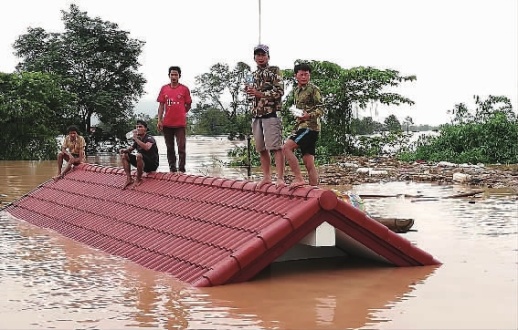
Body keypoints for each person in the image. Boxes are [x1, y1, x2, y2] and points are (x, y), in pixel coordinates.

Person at [245, 44, 285, 187]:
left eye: (263, 55)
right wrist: (249, 92)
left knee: (275, 147)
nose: (260, 57)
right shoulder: (251, 75)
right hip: (256, 114)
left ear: (268, 56)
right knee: (261, 148)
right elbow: (249, 96)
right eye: (258, 55)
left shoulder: (275, 71)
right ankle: (267, 177)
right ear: (254, 57)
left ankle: (280, 178)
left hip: (271, 113)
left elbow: (279, 92)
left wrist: (260, 94)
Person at [282, 63, 324, 188]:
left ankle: (299, 178)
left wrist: (308, 115)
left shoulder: (313, 89)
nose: (304, 77)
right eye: (302, 74)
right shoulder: (296, 91)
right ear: (296, 76)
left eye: (307, 74)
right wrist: (298, 115)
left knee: (286, 148)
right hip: (301, 126)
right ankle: (314, 190)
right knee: (308, 162)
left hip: (310, 127)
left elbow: (321, 109)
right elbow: (299, 109)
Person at [157, 66, 192, 173]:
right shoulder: (164, 89)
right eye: (172, 74)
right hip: (167, 123)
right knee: (170, 148)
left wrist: (182, 112)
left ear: (179, 76)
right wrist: (159, 120)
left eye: (176, 74)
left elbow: (189, 104)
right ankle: (172, 169)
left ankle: (181, 170)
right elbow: (161, 106)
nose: (173, 77)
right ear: (169, 76)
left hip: (180, 124)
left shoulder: (184, 89)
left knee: (181, 147)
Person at [119, 120, 159, 189]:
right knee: (124, 155)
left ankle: (138, 179)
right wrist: (124, 150)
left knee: (138, 155)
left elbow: (147, 147)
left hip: (151, 164)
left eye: (140, 127)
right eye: (137, 127)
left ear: (145, 129)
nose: (138, 129)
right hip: (142, 162)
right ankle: (129, 178)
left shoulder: (149, 138)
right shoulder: (138, 139)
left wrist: (136, 139)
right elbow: (130, 149)